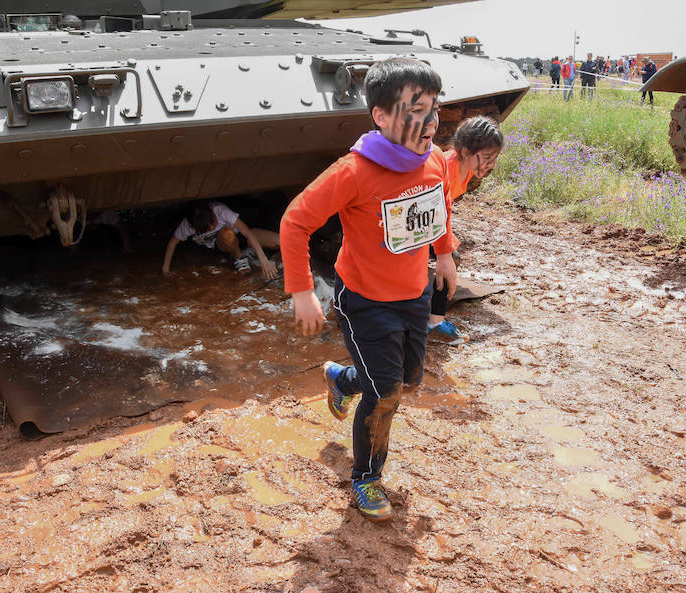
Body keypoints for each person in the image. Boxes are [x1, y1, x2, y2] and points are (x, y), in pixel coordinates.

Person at [280, 57, 458, 522]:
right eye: (417, 108)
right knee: (386, 394)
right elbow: (295, 221)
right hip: (364, 302)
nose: (431, 120)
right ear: (381, 116)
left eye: (435, 107)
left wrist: (446, 253)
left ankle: (341, 379)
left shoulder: (434, 159)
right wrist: (301, 290)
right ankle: (366, 477)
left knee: (409, 379)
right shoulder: (354, 171)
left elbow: (438, 206)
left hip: (414, 295)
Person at [428, 116, 505, 344]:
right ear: (464, 152)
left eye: (494, 158)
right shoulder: (444, 169)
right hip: (411, 221)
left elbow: (445, 208)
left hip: (431, 219)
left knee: (451, 256)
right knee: (449, 258)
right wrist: (444, 247)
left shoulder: (467, 169)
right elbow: (435, 210)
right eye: (486, 158)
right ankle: (434, 323)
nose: (490, 164)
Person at [162, 201, 279, 279]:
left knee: (279, 240)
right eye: (207, 228)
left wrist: (264, 261)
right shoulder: (188, 225)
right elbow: (173, 242)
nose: (212, 227)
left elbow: (248, 233)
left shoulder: (221, 210)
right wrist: (165, 269)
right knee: (226, 233)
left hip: (241, 238)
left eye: (212, 222)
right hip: (222, 244)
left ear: (212, 213)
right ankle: (239, 258)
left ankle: (252, 251)